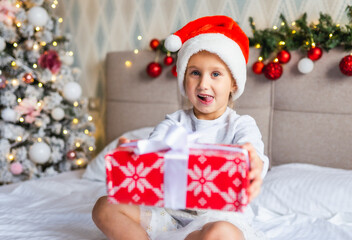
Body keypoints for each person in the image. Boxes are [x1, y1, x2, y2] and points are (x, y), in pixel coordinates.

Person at [92, 15, 269, 240]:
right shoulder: (174, 122)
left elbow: (254, 154)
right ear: (184, 79)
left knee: (221, 233)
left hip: (216, 217)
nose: (204, 84)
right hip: (168, 215)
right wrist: (134, 155)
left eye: (216, 74)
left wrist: (253, 162)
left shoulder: (241, 125)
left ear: (233, 82)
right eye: (195, 73)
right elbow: (153, 152)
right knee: (105, 206)